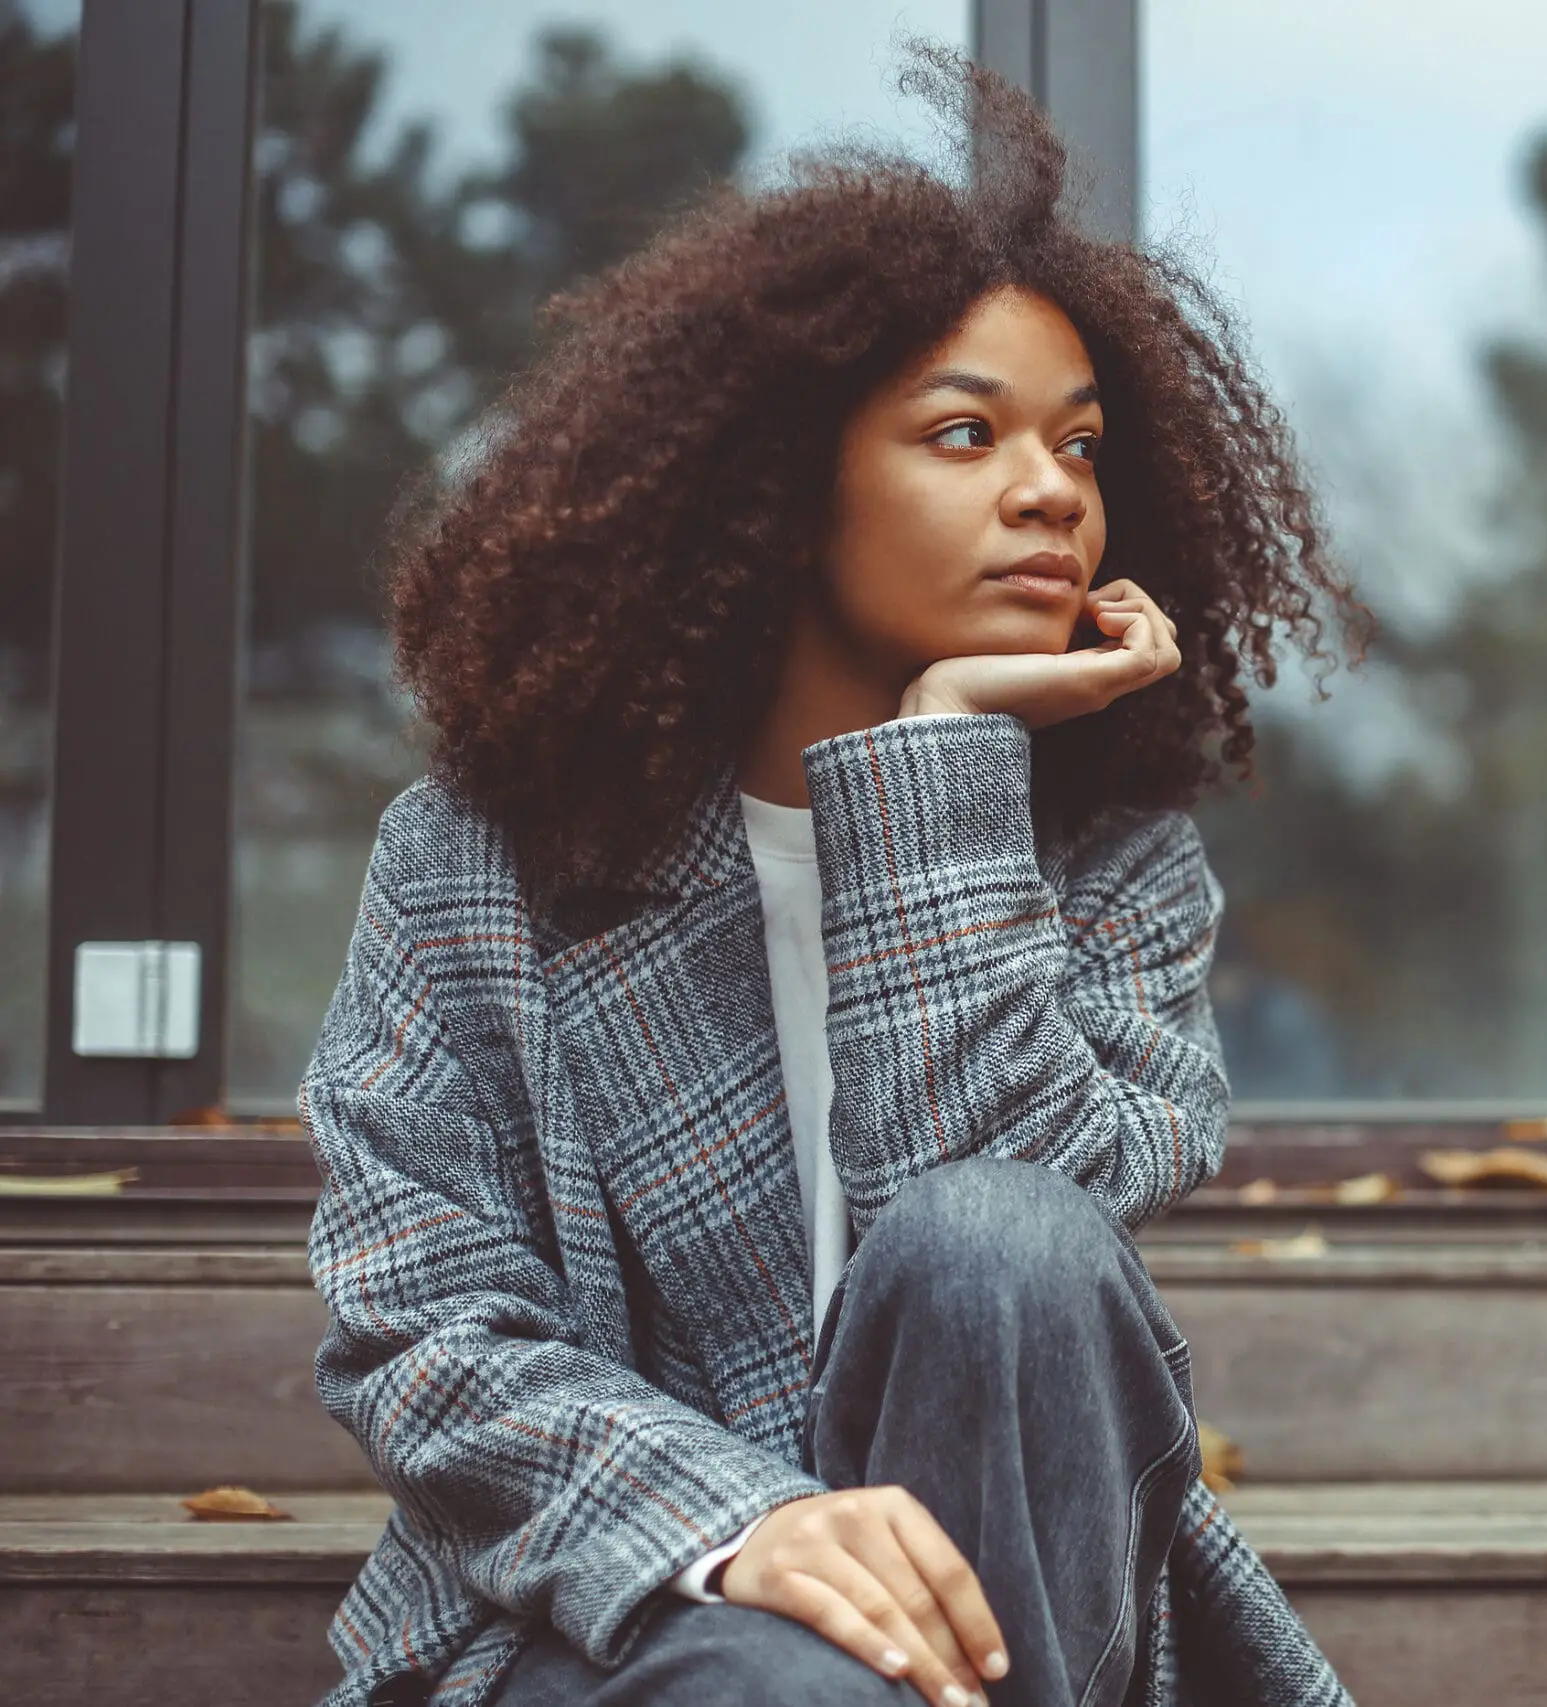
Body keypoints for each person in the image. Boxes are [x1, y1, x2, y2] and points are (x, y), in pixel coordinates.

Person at [299, 41, 1368, 1707]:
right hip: (615, 1604)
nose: (1048, 495)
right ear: (790, 494)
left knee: (999, 1238)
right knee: (791, 1687)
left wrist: (942, 760)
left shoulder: (1114, 871)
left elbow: (1025, 1276)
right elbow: (422, 1324)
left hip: (1023, 1622)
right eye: (966, 434)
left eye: (1082, 449)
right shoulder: (489, 862)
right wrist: (748, 1524)